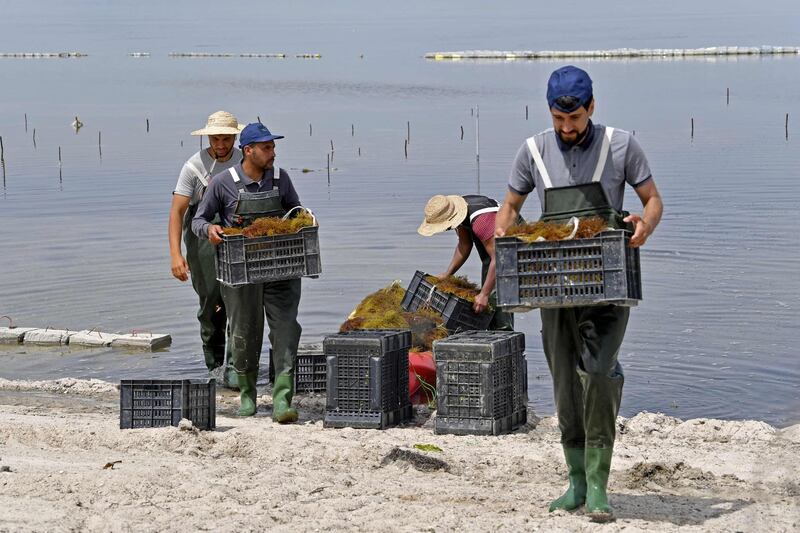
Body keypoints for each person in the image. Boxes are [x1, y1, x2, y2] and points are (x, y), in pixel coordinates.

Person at [496, 66, 663, 522]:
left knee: (601, 372)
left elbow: (652, 200)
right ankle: (574, 482)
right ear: (549, 112)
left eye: (575, 119)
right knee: (565, 382)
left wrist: (643, 226)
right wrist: (506, 249)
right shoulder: (532, 151)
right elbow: (509, 207)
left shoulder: (621, 145)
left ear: (592, 107)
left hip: (607, 284)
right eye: (558, 119)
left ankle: (598, 484)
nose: (567, 129)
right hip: (554, 287)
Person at [192, 122, 304, 422]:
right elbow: (198, 220)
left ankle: (282, 400)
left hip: (281, 269)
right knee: (244, 333)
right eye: (266, 147)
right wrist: (212, 229)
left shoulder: (281, 180)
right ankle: (247, 397)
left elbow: (296, 211)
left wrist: (303, 223)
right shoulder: (223, 183)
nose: (273, 152)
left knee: (286, 331)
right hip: (240, 274)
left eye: (273, 146)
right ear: (249, 150)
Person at [168, 111, 244, 388]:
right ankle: (215, 368)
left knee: (240, 303)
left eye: (226, 139)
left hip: (237, 235)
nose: (221, 145)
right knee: (212, 305)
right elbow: (177, 213)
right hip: (201, 240)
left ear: (235, 137)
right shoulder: (194, 166)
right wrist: (176, 255)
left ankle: (236, 370)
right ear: (207, 138)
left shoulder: (246, 161)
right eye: (215, 139)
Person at [417, 194, 514, 330]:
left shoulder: (481, 221)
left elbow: (499, 258)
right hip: (493, 251)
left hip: (512, 248)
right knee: (488, 283)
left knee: (495, 296)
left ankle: (504, 334)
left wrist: (484, 294)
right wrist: (448, 273)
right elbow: (464, 245)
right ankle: (494, 331)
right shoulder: (460, 211)